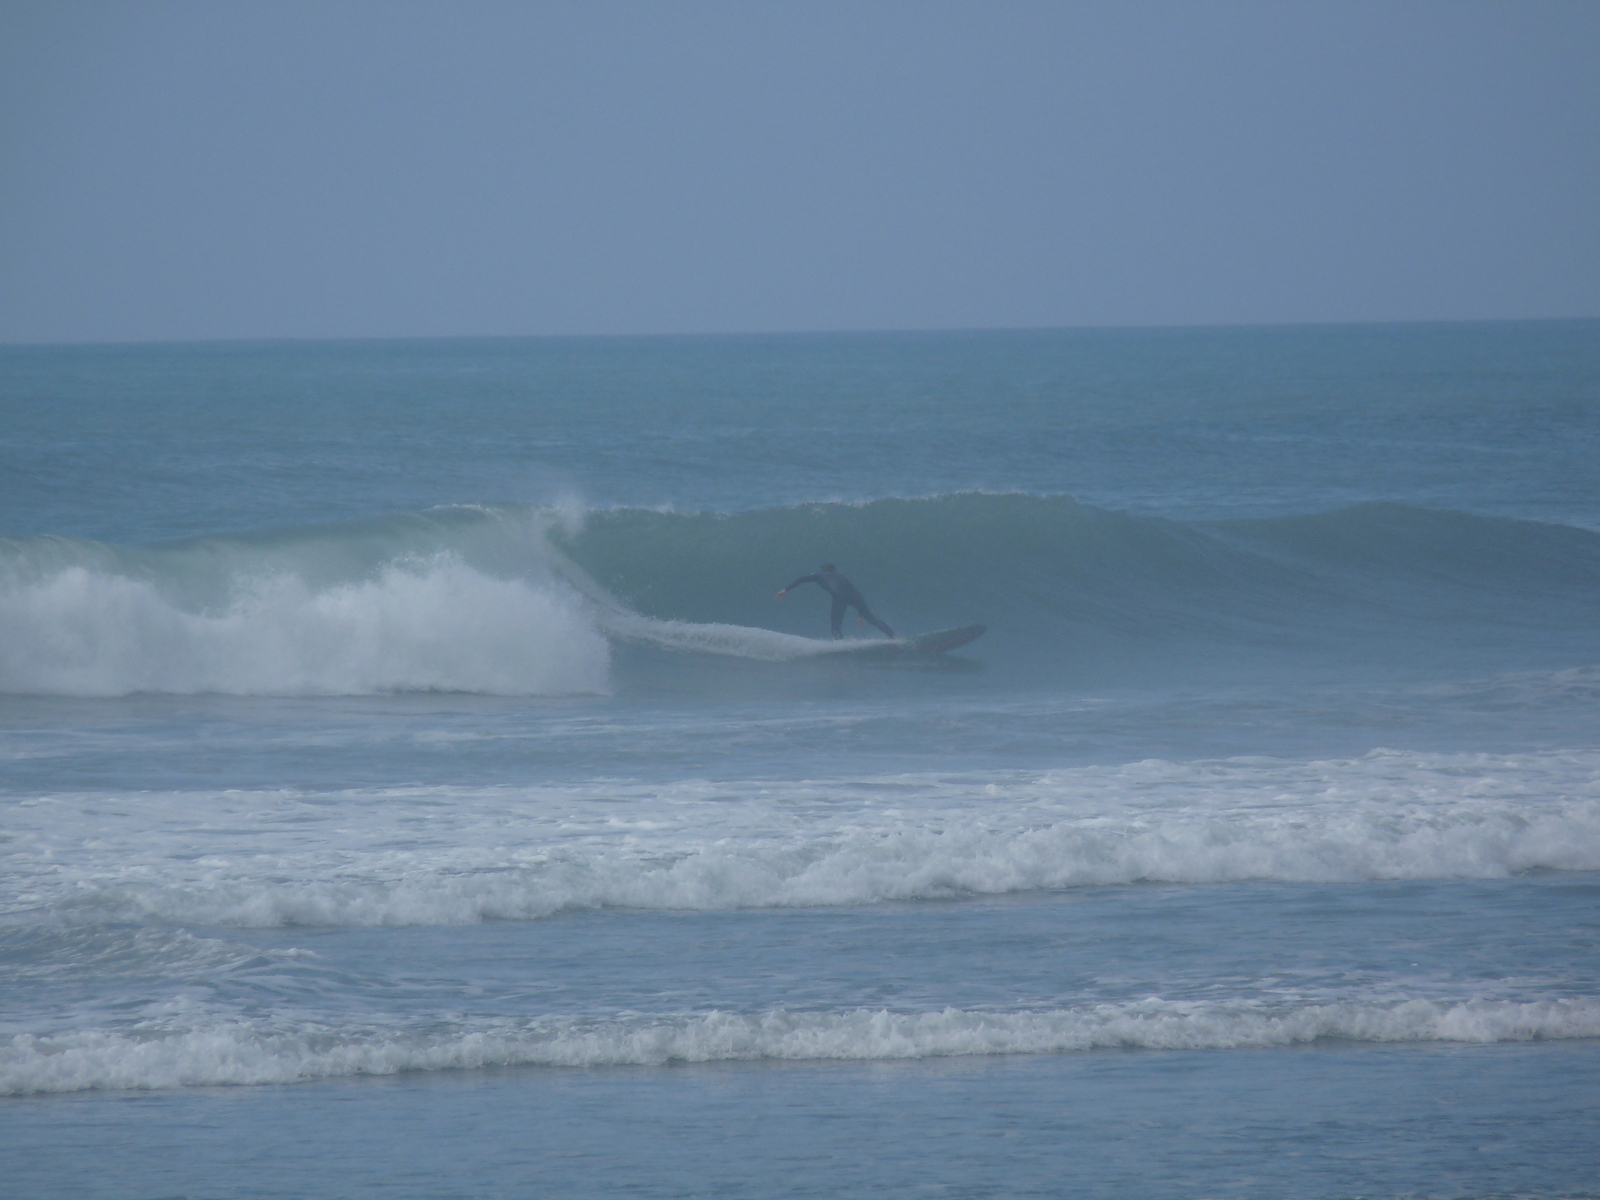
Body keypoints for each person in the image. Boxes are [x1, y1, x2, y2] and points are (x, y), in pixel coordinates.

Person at [776, 562, 896, 639]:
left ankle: (841, 645)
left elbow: (801, 579)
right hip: (854, 597)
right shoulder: (841, 576)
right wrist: (860, 615)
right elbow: (857, 595)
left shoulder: (819, 575)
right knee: (872, 620)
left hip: (839, 598)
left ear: (823, 570)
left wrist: (785, 590)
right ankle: (894, 636)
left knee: (835, 628)